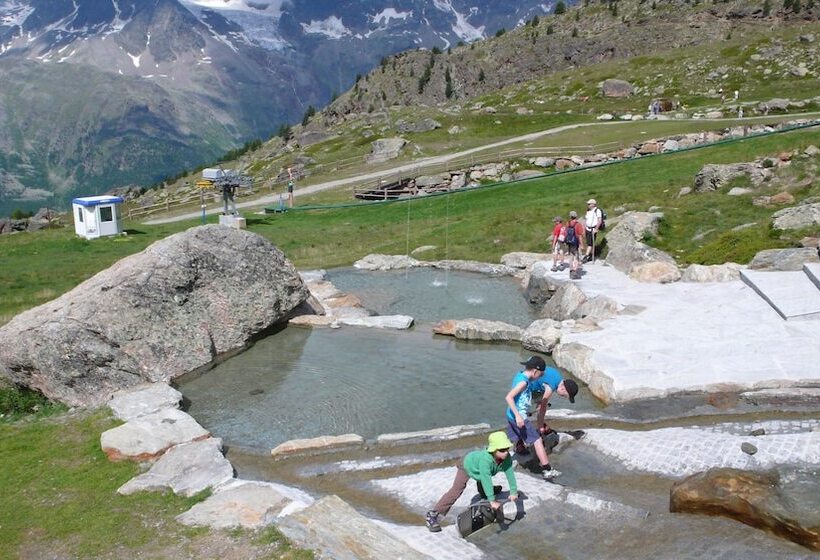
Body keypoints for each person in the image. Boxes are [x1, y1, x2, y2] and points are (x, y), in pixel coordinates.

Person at [425, 431, 519, 532]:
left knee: (484, 482)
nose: (506, 452)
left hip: (480, 472)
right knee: (457, 489)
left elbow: (510, 473)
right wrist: (492, 501)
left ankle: (485, 492)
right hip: (467, 465)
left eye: (507, 449)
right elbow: (486, 479)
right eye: (502, 450)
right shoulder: (485, 460)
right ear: (493, 450)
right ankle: (433, 514)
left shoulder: (507, 458)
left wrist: (513, 491)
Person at [505, 356, 560, 479]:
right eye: (540, 375)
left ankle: (496, 458)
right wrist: (519, 416)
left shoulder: (520, 375)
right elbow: (509, 397)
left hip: (511, 415)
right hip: (518, 417)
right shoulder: (523, 382)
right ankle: (548, 469)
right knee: (537, 440)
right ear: (535, 371)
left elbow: (519, 398)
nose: (540, 378)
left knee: (513, 439)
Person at [529, 367, 579, 440]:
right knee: (538, 407)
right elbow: (543, 408)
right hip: (528, 386)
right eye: (563, 395)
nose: (562, 397)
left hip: (539, 386)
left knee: (541, 405)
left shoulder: (558, 378)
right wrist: (541, 427)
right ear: (562, 388)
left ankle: (540, 423)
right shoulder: (550, 387)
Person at [565, 210, 586, 280]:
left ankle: (571, 270)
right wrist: (582, 245)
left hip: (569, 242)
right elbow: (580, 235)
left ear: (570, 216)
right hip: (576, 243)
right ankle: (574, 271)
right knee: (576, 257)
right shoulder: (578, 224)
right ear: (576, 216)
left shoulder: (568, 223)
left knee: (571, 256)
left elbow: (566, 233)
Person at [582, 199, 603, 264]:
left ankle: (586, 256)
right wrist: (584, 227)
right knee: (588, 242)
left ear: (593, 204)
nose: (588, 205)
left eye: (589, 204)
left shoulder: (597, 211)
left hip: (593, 229)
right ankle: (590, 255)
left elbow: (599, 220)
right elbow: (586, 219)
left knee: (590, 243)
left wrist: (596, 229)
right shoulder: (588, 211)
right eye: (588, 204)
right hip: (587, 228)